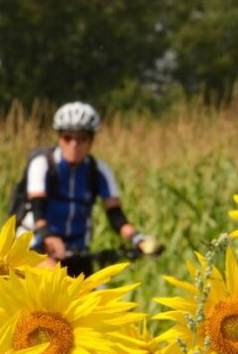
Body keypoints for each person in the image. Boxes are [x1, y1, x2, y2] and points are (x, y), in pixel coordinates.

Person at [18, 101, 162, 277]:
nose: (74, 145)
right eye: (68, 138)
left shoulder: (99, 170)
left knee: (96, 299)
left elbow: (116, 215)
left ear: (91, 140)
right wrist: (48, 236)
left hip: (76, 249)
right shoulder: (42, 164)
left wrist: (138, 239)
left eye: (82, 139)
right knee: (57, 279)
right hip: (36, 243)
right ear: (59, 138)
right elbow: (37, 208)